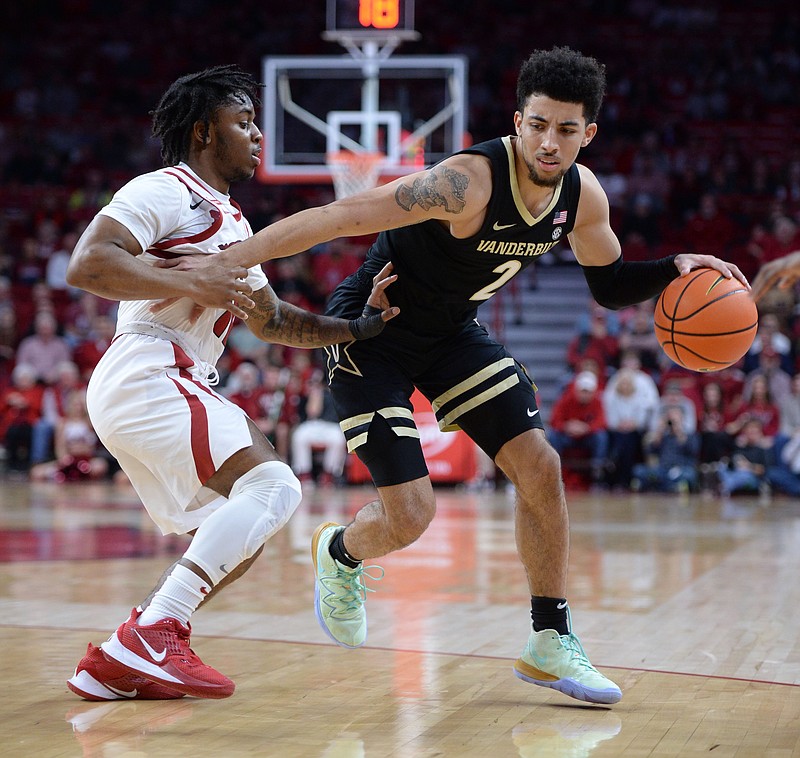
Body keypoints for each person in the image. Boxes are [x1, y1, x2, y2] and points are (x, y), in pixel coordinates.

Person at [164, 48, 748, 705]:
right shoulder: (465, 182)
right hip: (372, 331)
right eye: (537, 125)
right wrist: (225, 264)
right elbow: (335, 220)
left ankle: (549, 638)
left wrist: (673, 268)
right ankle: (341, 553)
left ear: (588, 133)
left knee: (541, 466)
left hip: (451, 334)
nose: (548, 142)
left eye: (564, 129)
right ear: (518, 120)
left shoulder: (582, 198)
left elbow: (610, 285)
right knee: (411, 516)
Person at [62, 65, 397, 702]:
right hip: (150, 366)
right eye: (242, 123)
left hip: (171, 378)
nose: (256, 136)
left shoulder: (234, 225)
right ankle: (155, 632)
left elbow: (274, 322)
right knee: (273, 486)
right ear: (202, 132)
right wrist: (191, 283)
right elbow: (89, 262)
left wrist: (358, 326)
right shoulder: (166, 189)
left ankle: (115, 660)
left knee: (241, 532)